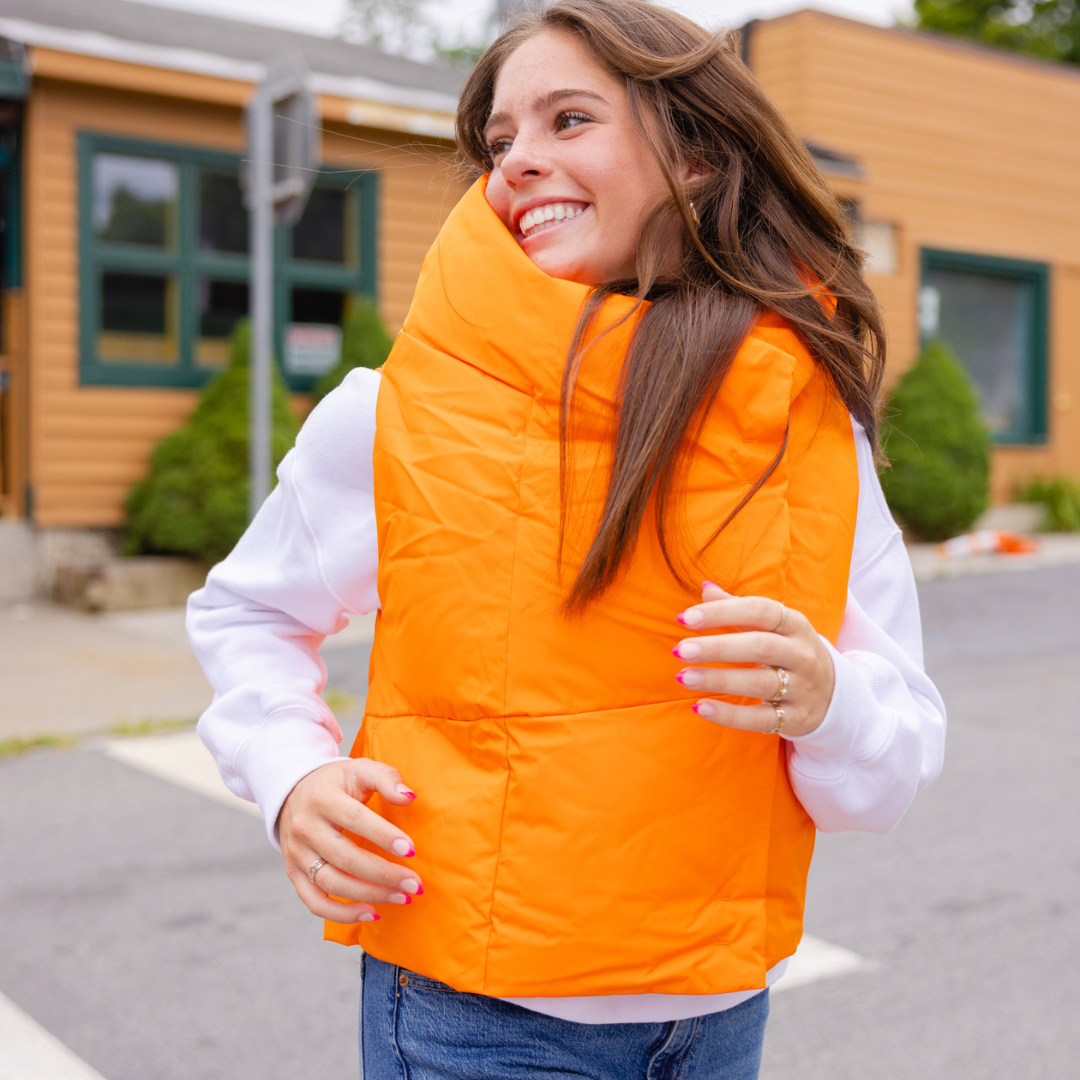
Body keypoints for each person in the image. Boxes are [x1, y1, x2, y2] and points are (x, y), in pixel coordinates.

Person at [187, 2, 945, 1077]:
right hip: (475, 1019)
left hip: (719, 1014)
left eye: (569, 120)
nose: (516, 166)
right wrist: (291, 777)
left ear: (693, 157)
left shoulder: (807, 425)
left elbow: (892, 766)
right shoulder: (396, 411)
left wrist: (827, 698)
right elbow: (246, 611)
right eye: (500, 142)